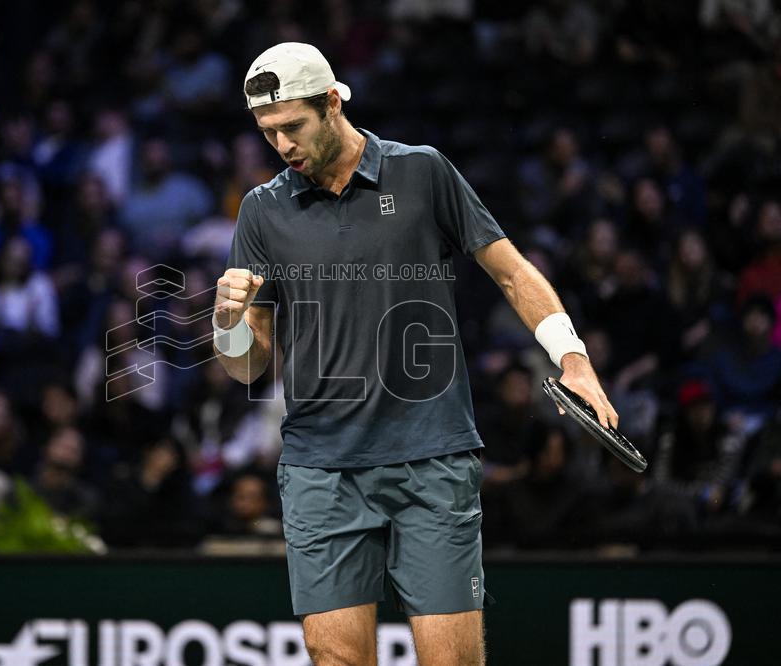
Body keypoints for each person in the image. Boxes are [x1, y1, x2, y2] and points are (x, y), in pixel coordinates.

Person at [212, 42, 617, 665]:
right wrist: (227, 323)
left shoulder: (423, 171)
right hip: (321, 466)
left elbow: (510, 273)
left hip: (430, 456)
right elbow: (249, 365)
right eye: (268, 133)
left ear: (331, 103)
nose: (283, 146)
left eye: (293, 127)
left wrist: (574, 360)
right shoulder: (262, 211)